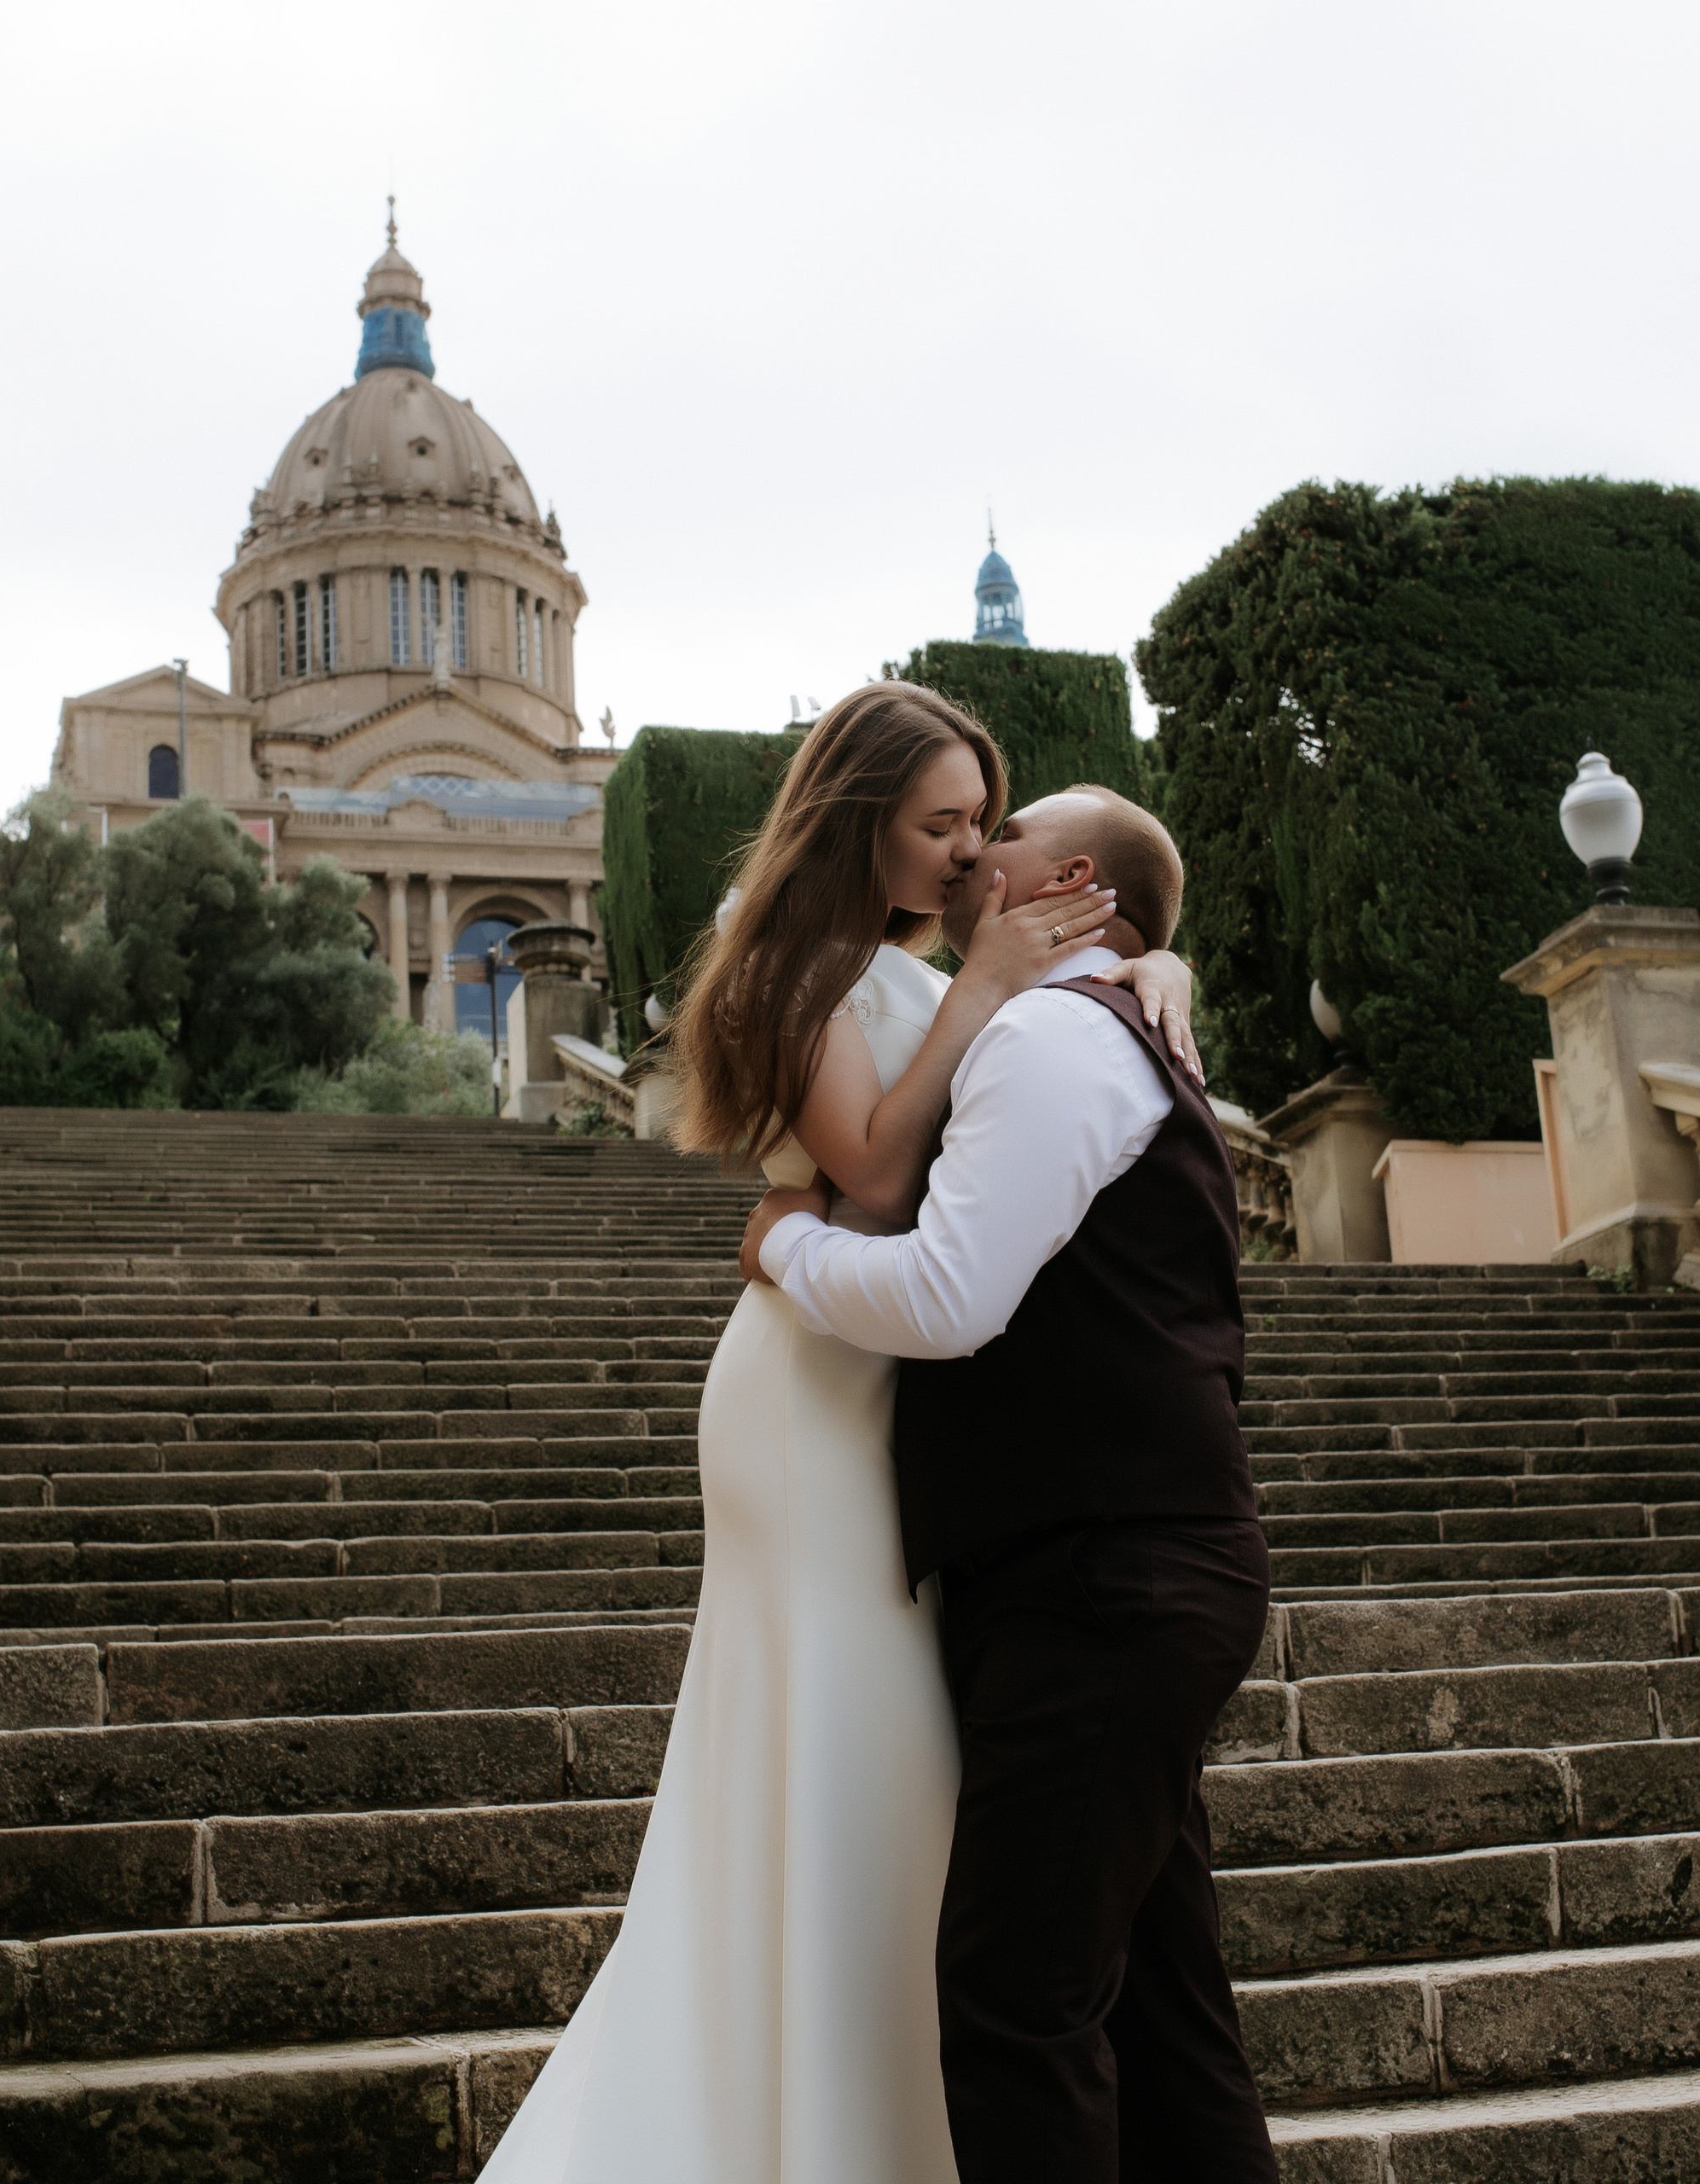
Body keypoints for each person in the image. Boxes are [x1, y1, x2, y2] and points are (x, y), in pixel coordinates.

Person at [477, 685, 1201, 2184]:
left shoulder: (905, 967)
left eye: (977, 823)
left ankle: (864, 2126)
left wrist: (1154, 966)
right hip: (814, 1398)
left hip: (882, 1382)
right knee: (857, 1755)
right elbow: (871, 1172)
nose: (962, 854)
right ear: (858, 814)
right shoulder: (793, 956)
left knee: (892, 1777)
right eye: (938, 823)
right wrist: (985, 987)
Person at [742, 784, 1274, 2184]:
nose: (979, 852)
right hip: (1126, 1565)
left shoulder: (1052, 1035)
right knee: (1165, 2010)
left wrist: (785, 1249)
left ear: (1076, 876)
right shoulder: (1111, 1023)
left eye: (1010, 832)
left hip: (1100, 1580)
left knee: (1014, 2003)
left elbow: (950, 1294)